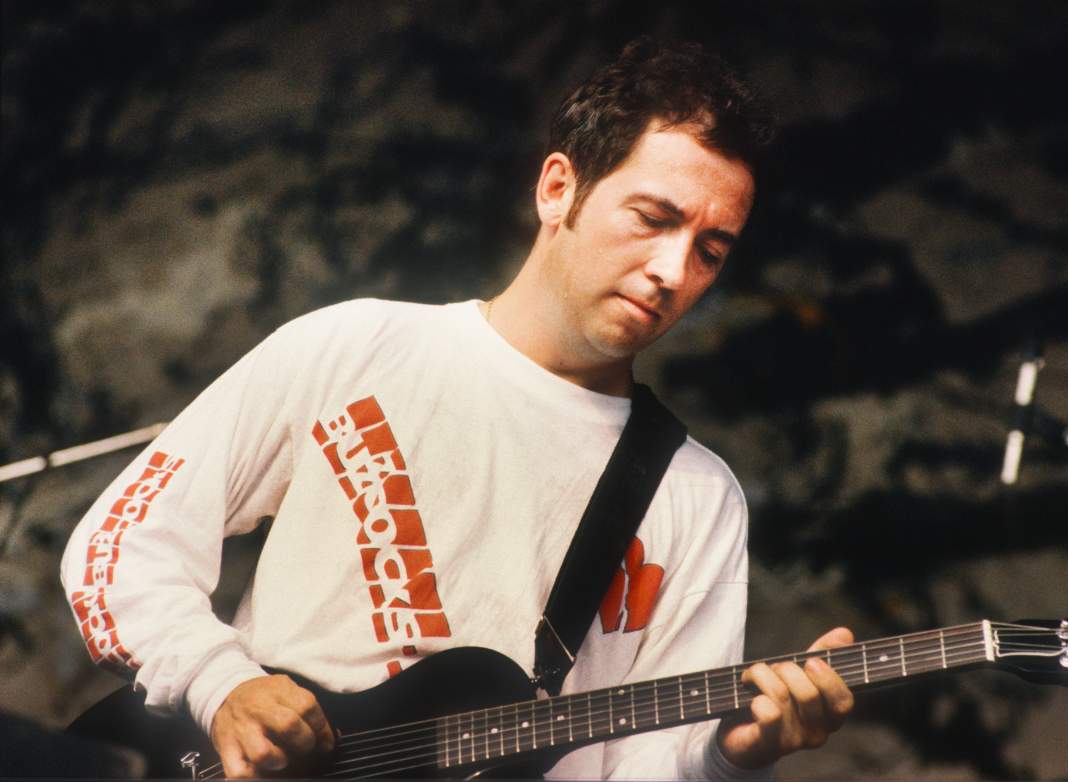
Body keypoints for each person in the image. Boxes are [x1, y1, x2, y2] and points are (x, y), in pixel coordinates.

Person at [61, 38, 854, 778]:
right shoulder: (359, 345)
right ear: (558, 188)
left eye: (711, 251)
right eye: (654, 220)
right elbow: (121, 547)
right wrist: (219, 683)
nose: (673, 270)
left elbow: (644, 767)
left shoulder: (696, 497)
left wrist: (727, 757)